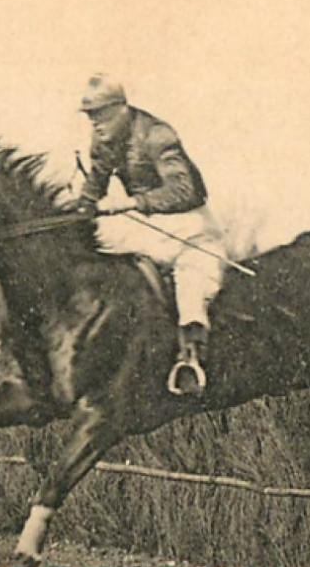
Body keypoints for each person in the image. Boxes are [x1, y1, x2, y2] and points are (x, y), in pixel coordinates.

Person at [74, 75, 229, 395]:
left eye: (100, 114)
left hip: (187, 224)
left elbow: (186, 191)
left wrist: (132, 202)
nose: (95, 123)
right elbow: (95, 185)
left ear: (122, 109)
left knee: (192, 279)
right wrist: (81, 209)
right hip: (145, 225)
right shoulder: (102, 141)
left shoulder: (157, 135)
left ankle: (190, 359)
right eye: (90, 116)